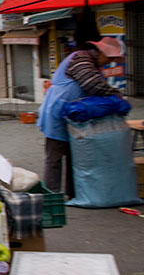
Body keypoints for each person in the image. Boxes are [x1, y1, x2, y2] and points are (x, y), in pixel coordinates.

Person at [37, 36, 125, 197]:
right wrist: (116, 95)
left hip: (74, 116)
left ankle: (75, 193)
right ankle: (51, 194)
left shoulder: (92, 63)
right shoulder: (81, 58)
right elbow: (92, 85)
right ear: (100, 52)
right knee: (55, 157)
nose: (109, 63)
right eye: (109, 58)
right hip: (57, 112)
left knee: (75, 156)